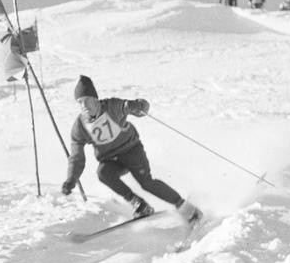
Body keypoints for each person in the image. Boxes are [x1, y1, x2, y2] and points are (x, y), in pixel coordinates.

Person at [61, 75, 203, 225]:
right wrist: (71, 179)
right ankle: (140, 205)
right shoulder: (80, 126)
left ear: (96, 99)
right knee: (103, 173)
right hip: (110, 160)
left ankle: (187, 208)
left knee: (146, 182)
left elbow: (133, 107)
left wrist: (138, 106)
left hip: (131, 150)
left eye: (88, 100)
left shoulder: (111, 107)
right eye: (80, 102)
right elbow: (77, 157)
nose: (84, 105)